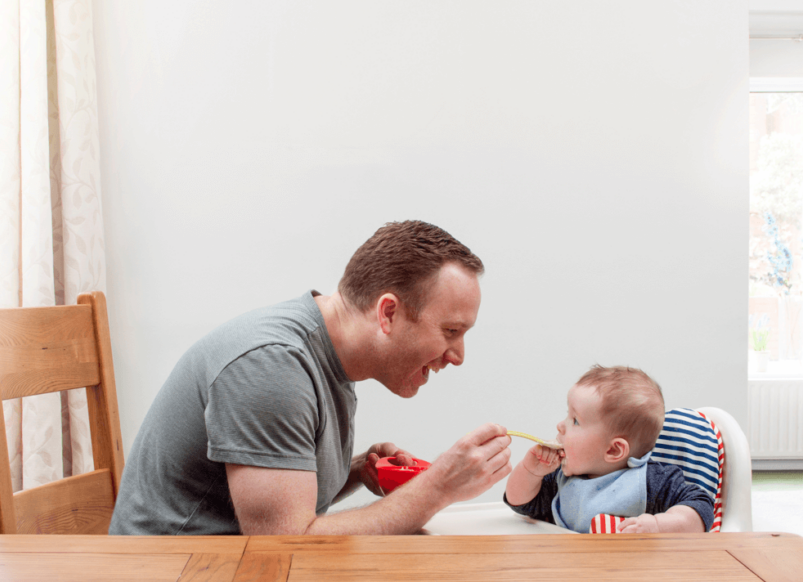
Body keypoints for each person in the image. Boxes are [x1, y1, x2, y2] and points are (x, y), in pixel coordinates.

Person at [110, 220, 513, 536]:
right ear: (387, 313)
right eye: (451, 331)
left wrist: (357, 471)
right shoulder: (272, 367)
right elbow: (287, 545)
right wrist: (438, 487)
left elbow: (277, 510)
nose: (458, 356)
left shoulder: (324, 354)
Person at [504, 365, 712, 533]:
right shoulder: (562, 480)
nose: (561, 425)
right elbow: (520, 504)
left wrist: (658, 526)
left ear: (613, 450)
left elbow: (701, 508)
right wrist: (530, 472)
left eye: (575, 420)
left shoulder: (652, 482)